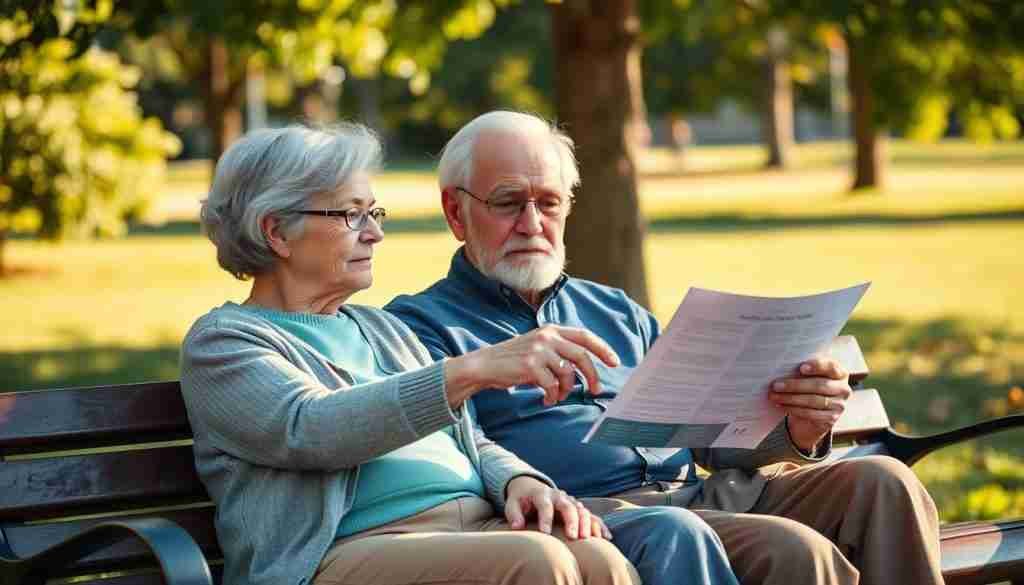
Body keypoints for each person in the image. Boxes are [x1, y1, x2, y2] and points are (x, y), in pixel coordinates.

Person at [385, 111, 945, 585]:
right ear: (457, 213)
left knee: (883, 482)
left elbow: (715, 443)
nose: (533, 223)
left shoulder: (615, 310)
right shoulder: (419, 327)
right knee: (794, 551)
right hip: (594, 516)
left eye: (549, 203)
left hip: (707, 493)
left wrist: (800, 428)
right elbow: (451, 461)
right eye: (509, 203)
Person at [179, 123, 642, 585]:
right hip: (344, 551)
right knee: (539, 560)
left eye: (375, 212)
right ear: (277, 231)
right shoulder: (225, 343)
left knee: (597, 557)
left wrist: (520, 481)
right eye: (351, 215)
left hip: (473, 527)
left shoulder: (379, 328)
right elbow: (311, 428)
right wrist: (468, 371)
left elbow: (469, 440)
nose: (375, 233)